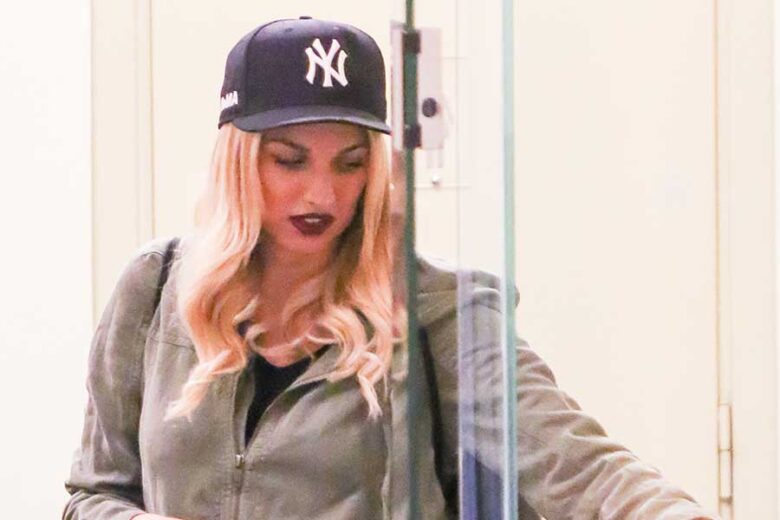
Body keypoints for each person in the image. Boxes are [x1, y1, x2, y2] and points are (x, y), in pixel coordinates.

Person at [63, 17, 719, 520]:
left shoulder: (436, 306)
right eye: (290, 160)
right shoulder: (154, 288)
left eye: (350, 162)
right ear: (238, 160)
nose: (322, 194)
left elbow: (571, 461)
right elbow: (92, 495)